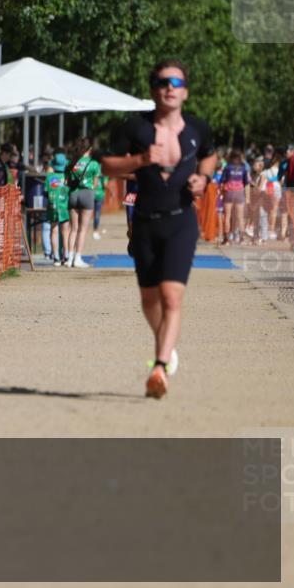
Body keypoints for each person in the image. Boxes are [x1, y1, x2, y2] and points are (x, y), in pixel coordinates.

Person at [102, 59, 216, 399]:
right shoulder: (134, 128)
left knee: (171, 296)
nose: (170, 88)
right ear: (154, 89)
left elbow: (210, 156)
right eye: (164, 82)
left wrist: (203, 178)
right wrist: (139, 160)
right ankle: (165, 346)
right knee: (149, 299)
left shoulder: (197, 129)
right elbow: (106, 164)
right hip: (145, 221)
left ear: (186, 92)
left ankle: (160, 366)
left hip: (181, 220)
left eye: (177, 83)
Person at [64, 137, 99, 268]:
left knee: (73, 228)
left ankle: (69, 258)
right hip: (87, 194)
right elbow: (95, 184)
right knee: (82, 229)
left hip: (73, 194)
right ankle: (78, 258)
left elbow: (66, 182)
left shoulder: (72, 163)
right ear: (89, 149)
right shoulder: (94, 164)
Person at [46, 151, 71, 265]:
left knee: (54, 230)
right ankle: (65, 256)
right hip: (64, 206)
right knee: (65, 231)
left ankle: (55, 257)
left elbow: (45, 192)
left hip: (52, 206)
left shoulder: (49, 177)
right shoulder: (67, 177)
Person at [220, 149, 249, 245]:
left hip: (229, 192)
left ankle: (227, 239)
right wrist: (247, 197)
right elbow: (246, 182)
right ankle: (242, 238)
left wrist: (221, 192)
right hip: (239, 192)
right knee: (240, 216)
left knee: (227, 216)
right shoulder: (244, 168)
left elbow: (222, 181)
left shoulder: (227, 167)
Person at [92, 158, 109, 240]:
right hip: (99, 194)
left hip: (91, 193)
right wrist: (109, 190)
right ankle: (95, 231)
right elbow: (105, 185)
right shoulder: (104, 171)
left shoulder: (92, 167)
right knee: (97, 213)